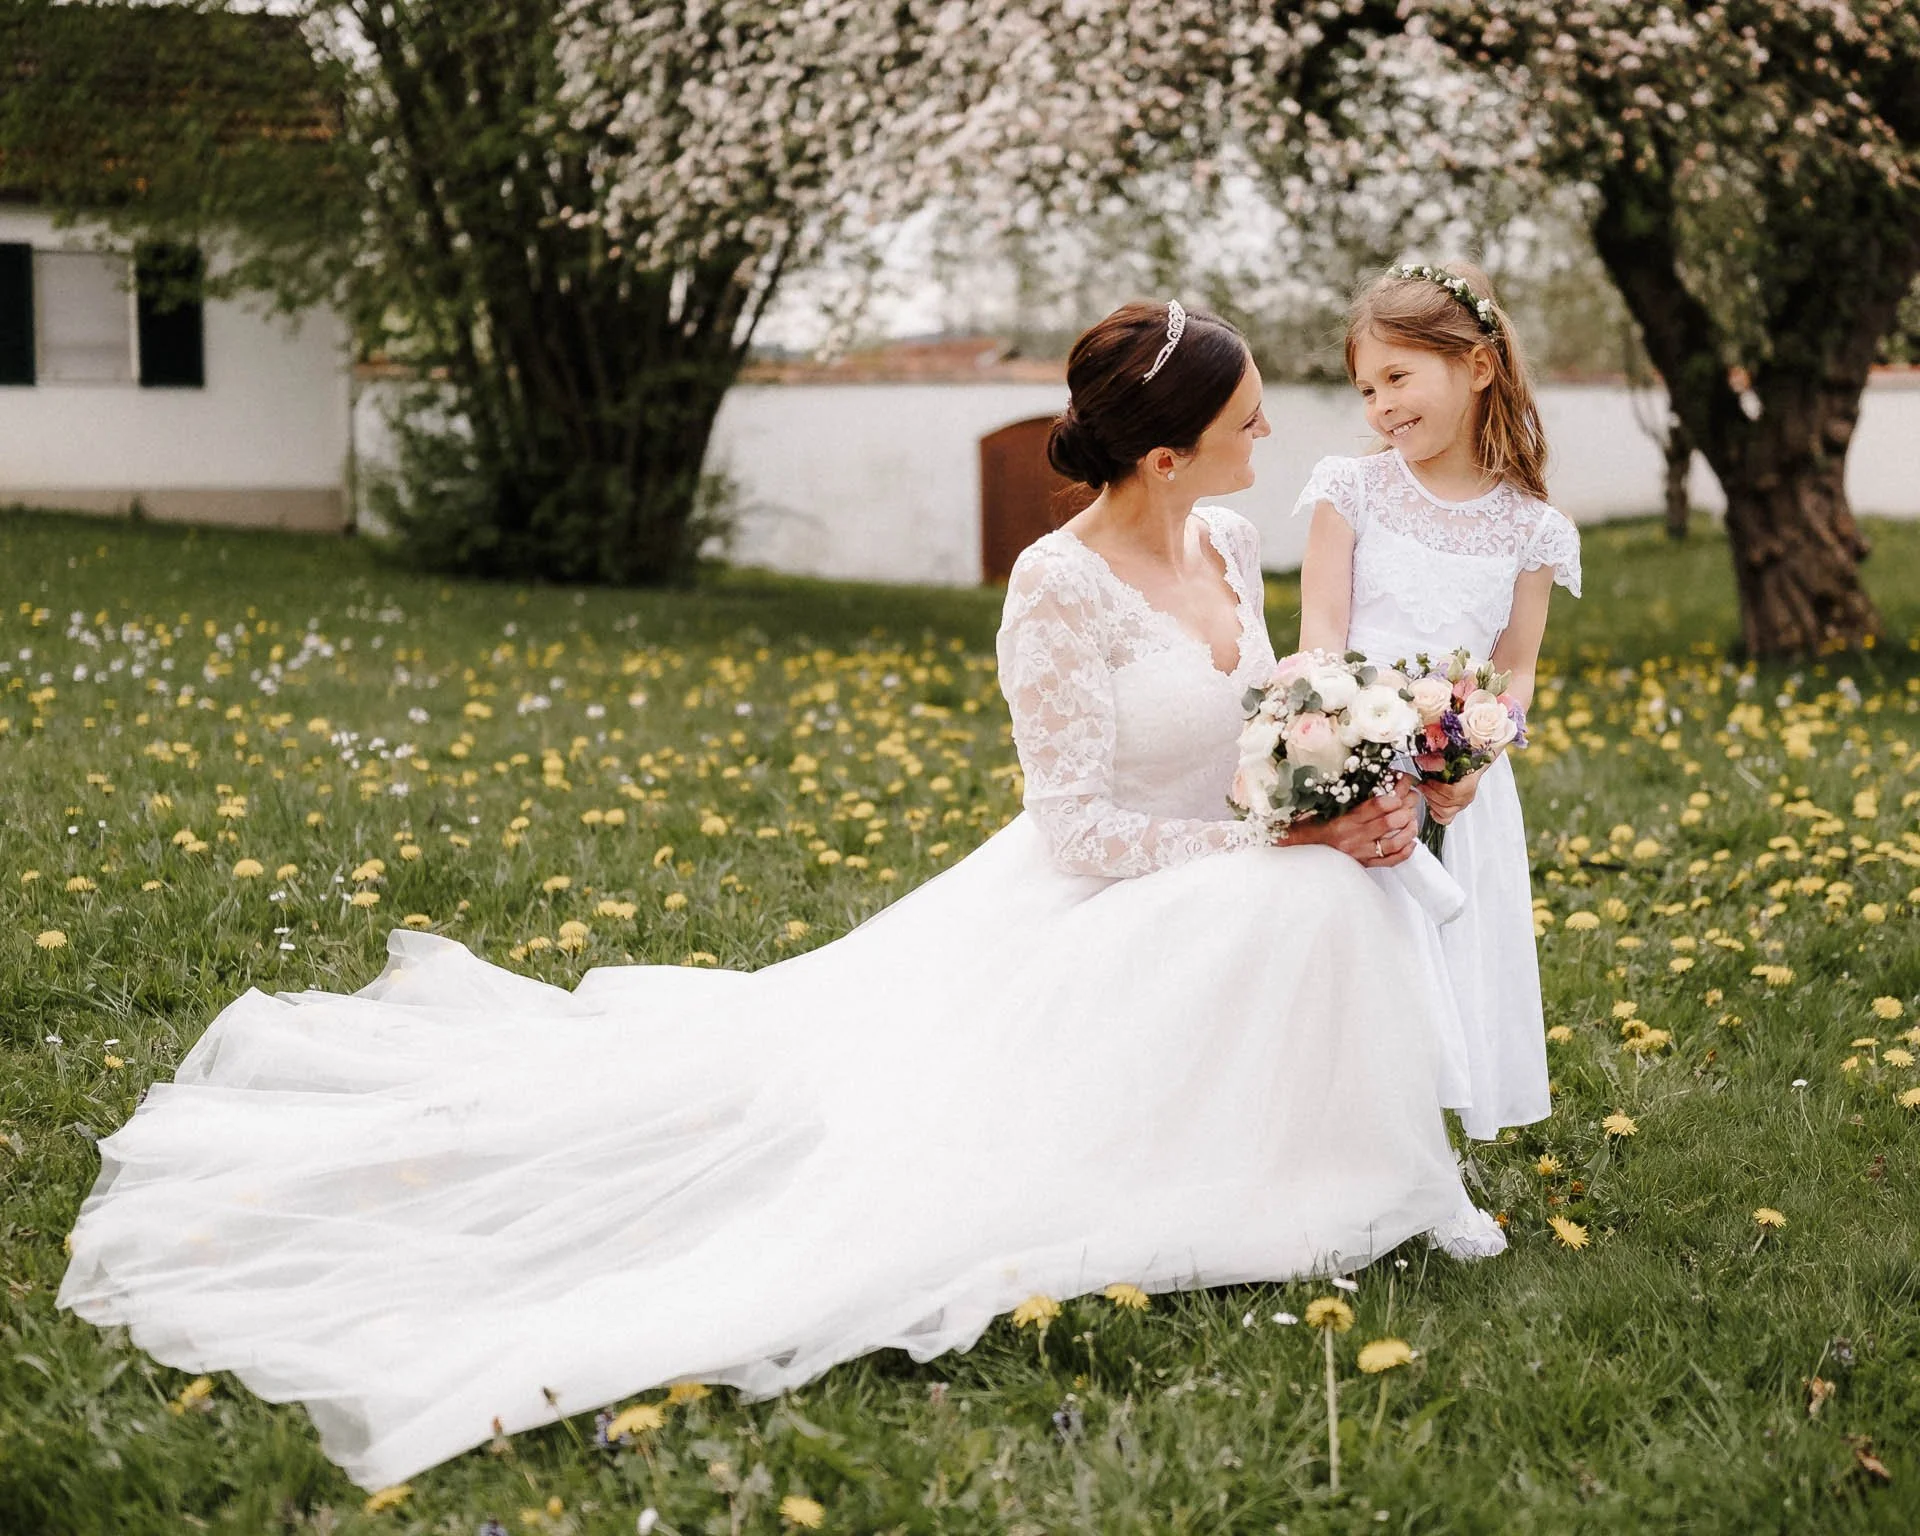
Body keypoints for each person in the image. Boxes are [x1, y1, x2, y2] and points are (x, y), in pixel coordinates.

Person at [57, 300, 1502, 1495]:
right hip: (1099, 889)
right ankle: (1289, 1181)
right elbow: (1073, 830)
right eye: (1250, 417)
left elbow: (1253, 721)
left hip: (1233, 862)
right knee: (1308, 904)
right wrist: (1281, 854)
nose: (1272, 432)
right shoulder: (1055, 589)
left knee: (1336, 894)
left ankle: (1335, 1171)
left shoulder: (1226, 543)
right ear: (1174, 453)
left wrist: (1344, 786)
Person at [1296, 262, 1582, 1142]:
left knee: (1446, 963)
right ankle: (1338, 1133)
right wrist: (1342, 751)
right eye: (1366, 388)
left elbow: (1517, 669)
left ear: (1479, 368)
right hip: (1356, 770)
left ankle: (1426, 1152)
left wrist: (1475, 761)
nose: (1379, 404)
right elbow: (1320, 633)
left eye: (1397, 377)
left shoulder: (1530, 527)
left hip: (1458, 784)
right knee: (1357, 959)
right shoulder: (1353, 492)